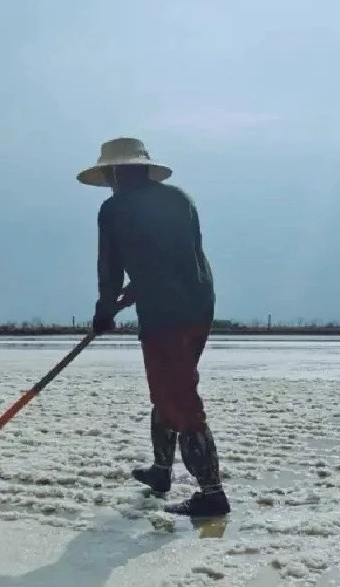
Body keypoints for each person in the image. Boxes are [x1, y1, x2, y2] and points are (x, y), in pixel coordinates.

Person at [77, 137, 229, 518]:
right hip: (199, 307)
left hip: (165, 316)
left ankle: (212, 493)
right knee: (167, 391)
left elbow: (110, 268)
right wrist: (137, 288)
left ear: (115, 172)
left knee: (179, 398)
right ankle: (161, 471)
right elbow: (179, 257)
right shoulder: (180, 199)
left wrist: (104, 309)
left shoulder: (114, 209)